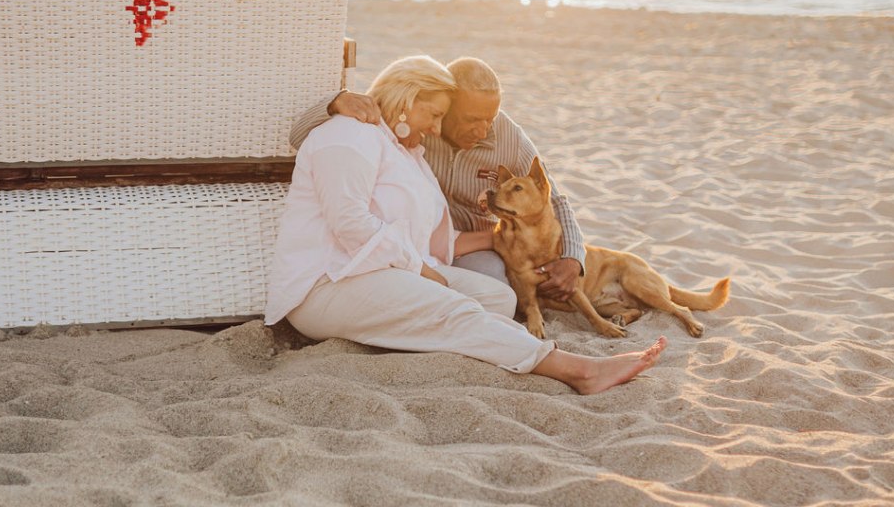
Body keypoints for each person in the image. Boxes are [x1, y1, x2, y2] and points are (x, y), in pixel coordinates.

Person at [266, 55, 665, 394]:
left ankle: (450, 331)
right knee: (453, 307)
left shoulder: (409, 154)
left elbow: (449, 238)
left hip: (384, 268)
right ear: (407, 97)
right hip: (328, 283)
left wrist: (516, 244)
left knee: (499, 299)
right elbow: (350, 222)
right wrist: (419, 269)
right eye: (434, 114)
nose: (437, 129)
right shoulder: (349, 134)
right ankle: (578, 370)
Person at [290, 57, 586, 302]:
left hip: (474, 246)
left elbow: (553, 198)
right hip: (413, 245)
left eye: (490, 119)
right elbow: (304, 139)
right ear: (446, 105)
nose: (483, 131)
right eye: (472, 120)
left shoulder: (509, 138)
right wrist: (335, 103)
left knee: (494, 282)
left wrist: (573, 258)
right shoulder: (415, 127)